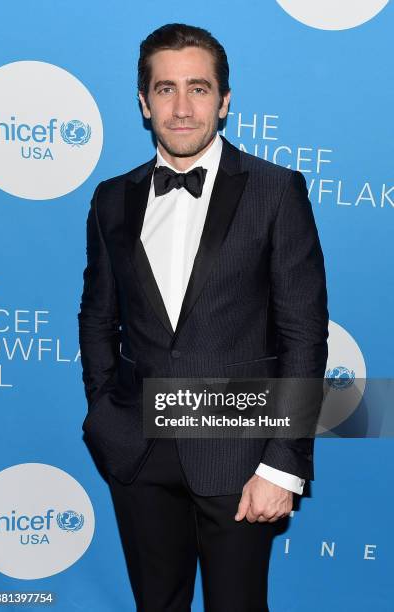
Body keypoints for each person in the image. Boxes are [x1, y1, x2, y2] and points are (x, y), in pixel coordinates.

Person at [78, 22, 329, 612]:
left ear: (224, 101)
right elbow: (97, 314)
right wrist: (102, 409)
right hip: (137, 447)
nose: (182, 107)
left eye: (198, 88)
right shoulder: (111, 198)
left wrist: (283, 461)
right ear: (144, 102)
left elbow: (303, 335)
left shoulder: (276, 190)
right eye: (165, 89)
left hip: (241, 452)